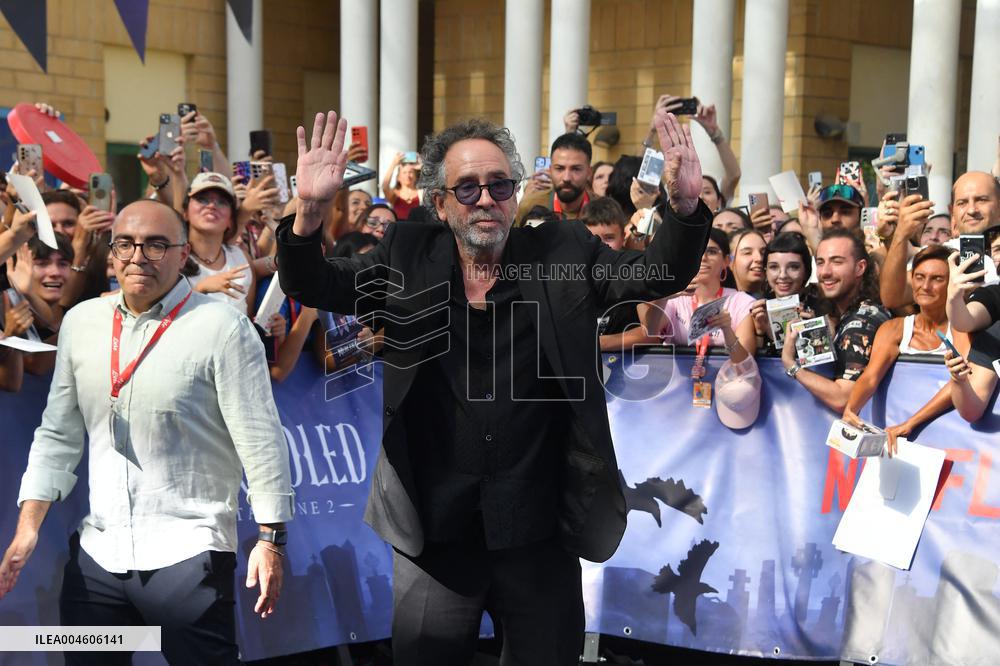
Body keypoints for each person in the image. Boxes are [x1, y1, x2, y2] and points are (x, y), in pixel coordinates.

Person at [276, 109, 710, 664]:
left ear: (515, 191)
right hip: (435, 536)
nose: (486, 199)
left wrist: (686, 208)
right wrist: (309, 212)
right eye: (467, 187)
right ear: (439, 202)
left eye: (499, 184)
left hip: (541, 531)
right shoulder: (408, 254)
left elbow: (657, 275)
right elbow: (314, 281)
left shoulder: (565, 252)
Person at [0, 199, 293, 664]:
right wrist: (27, 527)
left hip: (189, 552)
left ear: (182, 256)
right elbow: (57, 433)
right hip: (99, 552)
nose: (139, 256)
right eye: (127, 244)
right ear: (111, 255)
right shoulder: (81, 323)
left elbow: (260, 439)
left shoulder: (224, 327)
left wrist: (271, 539)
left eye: (156, 245)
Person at [842, 245, 969, 454]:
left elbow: (959, 383)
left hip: (952, 445)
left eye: (937, 279)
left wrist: (911, 423)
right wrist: (851, 409)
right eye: (919, 277)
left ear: (952, 284)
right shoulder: (895, 328)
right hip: (898, 442)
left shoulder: (963, 329)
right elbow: (870, 376)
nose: (925, 286)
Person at [781, 229, 889, 412]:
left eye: (837, 262)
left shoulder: (863, 320)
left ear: (860, 268)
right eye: (821, 263)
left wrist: (791, 364)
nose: (825, 272)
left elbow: (843, 398)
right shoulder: (842, 314)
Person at [882, 172, 1000, 311]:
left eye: (981, 200)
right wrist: (900, 234)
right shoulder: (944, 255)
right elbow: (893, 297)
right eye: (962, 203)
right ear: (952, 211)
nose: (972, 210)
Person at [639, 227, 757, 363]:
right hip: (679, 383)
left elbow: (745, 362)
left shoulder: (742, 302)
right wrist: (664, 296)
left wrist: (727, 330)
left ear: (726, 261)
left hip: (726, 382)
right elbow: (649, 330)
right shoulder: (674, 300)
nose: (703, 257)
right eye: (696, 251)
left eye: (711, 252)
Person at [185, 172, 255, 314]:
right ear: (185, 212)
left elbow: (249, 321)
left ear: (230, 220)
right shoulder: (172, 259)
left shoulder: (242, 258)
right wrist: (200, 289)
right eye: (202, 199)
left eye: (222, 202)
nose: (212, 206)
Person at [517, 132, 593, 223]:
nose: (566, 178)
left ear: (589, 172)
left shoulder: (604, 210)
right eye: (559, 168)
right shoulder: (529, 206)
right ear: (550, 170)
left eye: (576, 169)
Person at [381, 152, 422, 220]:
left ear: (415, 176)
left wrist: (423, 166)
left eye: (411, 172)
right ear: (398, 177)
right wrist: (393, 164)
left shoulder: (421, 193)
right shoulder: (395, 194)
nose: (408, 175)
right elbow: (385, 187)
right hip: (399, 228)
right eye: (404, 172)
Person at [729, 228, 766, 297]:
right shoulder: (721, 305)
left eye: (763, 253)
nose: (759, 258)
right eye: (747, 253)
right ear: (728, 261)